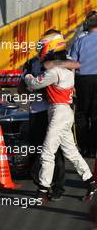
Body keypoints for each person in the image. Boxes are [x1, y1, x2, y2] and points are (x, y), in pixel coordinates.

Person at [25, 42, 97, 205]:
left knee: (47, 152)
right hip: (63, 111)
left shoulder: (54, 71)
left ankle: (42, 190)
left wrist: (27, 74)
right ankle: (90, 182)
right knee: (71, 151)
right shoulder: (66, 68)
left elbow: (34, 84)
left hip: (58, 112)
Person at [69, 10, 97, 157]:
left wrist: (71, 86)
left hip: (82, 81)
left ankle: (84, 148)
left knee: (81, 115)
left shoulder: (79, 41)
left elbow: (72, 65)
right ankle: (94, 149)